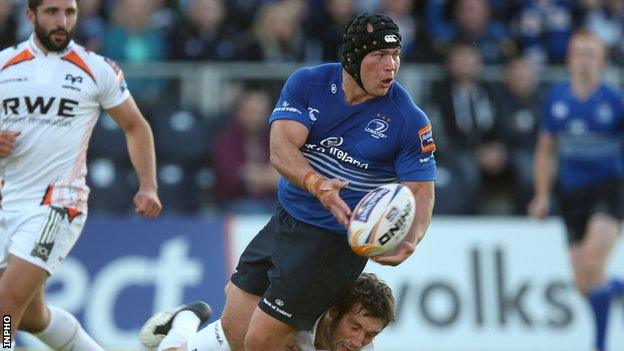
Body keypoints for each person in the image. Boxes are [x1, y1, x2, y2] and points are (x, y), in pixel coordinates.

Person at [141, 12, 435, 351]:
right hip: (286, 219)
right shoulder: (308, 84)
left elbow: (422, 189)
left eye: (396, 55)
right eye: (380, 55)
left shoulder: (408, 119)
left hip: (334, 244)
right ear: (353, 57)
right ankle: (185, 323)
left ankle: (184, 328)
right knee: (236, 331)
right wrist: (317, 184)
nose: (391, 66)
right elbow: (280, 149)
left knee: (260, 342)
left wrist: (411, 239)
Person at [0, 0, 162, 349]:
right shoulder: (3, 65)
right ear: (30, 15)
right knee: (29, 315)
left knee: (5, 307)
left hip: (57, 203)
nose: (62, 21)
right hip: (7, 200)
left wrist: (148, 185)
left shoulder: (96, 69)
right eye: (52, 12)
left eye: (69, 13)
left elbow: (136, 126)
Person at [528, 30, 624, 351]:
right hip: (571, 194)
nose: (584, 60)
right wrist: (541, 195)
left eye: (591, 54)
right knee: (584, 282)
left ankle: (599, 345)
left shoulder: (614, 100)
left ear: (600, 60)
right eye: (579, 53)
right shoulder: (557, 98)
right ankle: (616, 289)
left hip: (608, 189)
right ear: (569, 59)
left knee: (592, 263)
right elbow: (545, 150)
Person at [140, 272, 394, 351]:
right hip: (242, 334)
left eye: (371, 335)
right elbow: (234, 289)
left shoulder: (362, 349)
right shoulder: (296, 304)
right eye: (355, 327)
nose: (359, 342)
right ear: (332, 312)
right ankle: (186, 318)